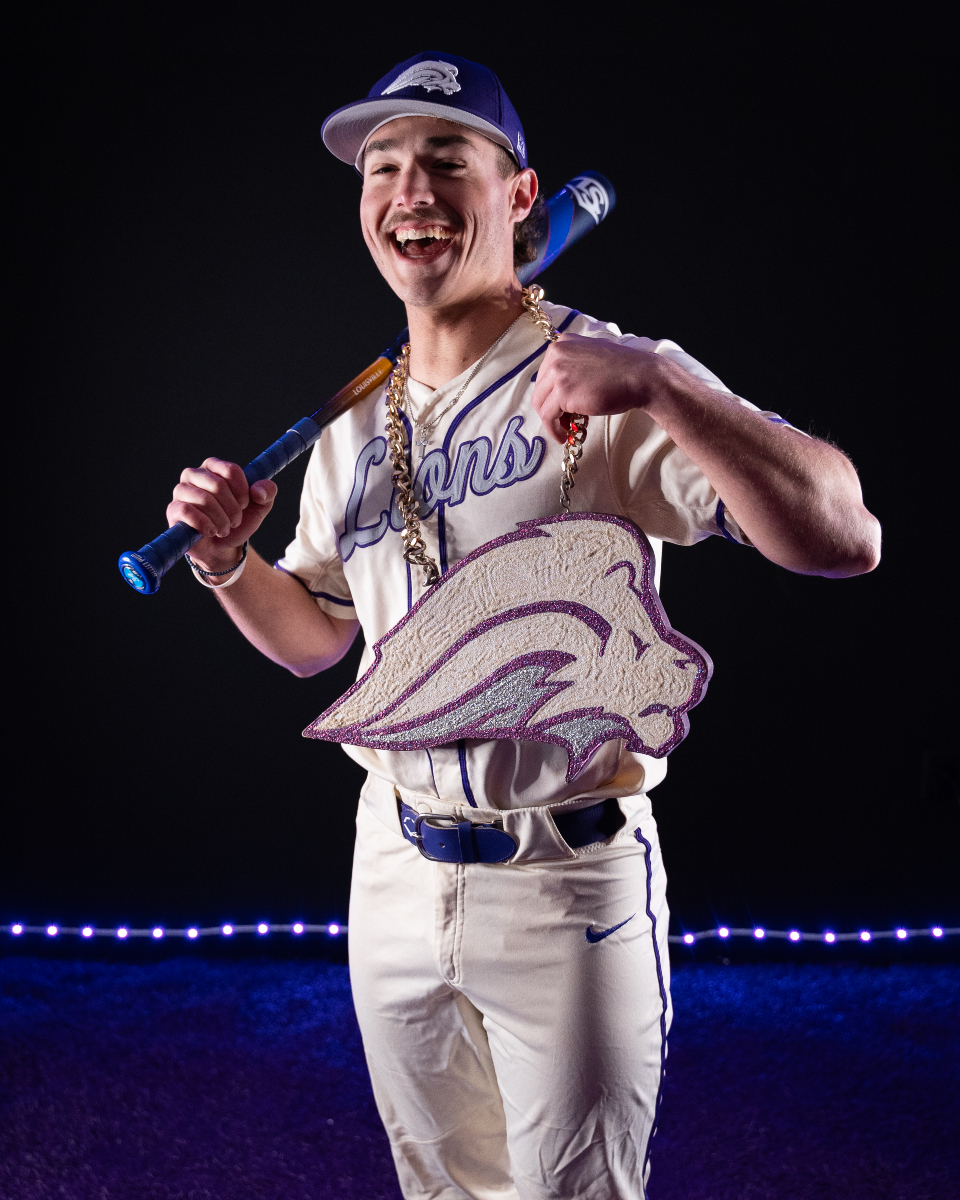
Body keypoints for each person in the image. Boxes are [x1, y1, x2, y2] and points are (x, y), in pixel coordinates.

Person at [167, 51, 881, 1200]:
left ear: (519, 197)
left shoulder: (606, 374)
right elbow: (315, 644)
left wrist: (666, 383)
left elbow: (846, 534)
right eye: (384, 167)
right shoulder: (358, 424)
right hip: (392, 864)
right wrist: (226, 563)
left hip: (565, 880)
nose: (412, 190)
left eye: (449, 160)